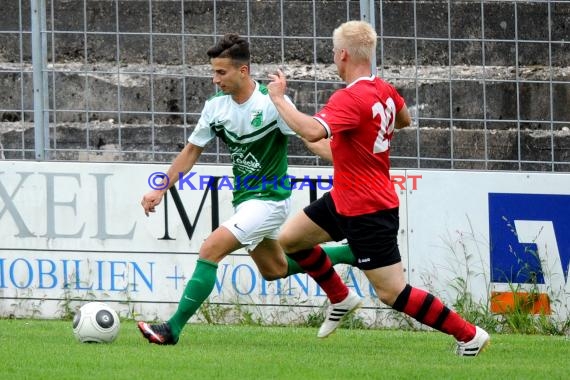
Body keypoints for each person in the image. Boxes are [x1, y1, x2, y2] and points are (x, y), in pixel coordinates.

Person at [267, 20, 490, 356]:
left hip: (369, 209)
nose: (333, 58)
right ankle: (341, 297)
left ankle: (469, 334)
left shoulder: (350, 97)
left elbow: (314, 131)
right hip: (345, 198)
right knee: (290, 240)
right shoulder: (383, 89)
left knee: (392, 293)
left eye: (333, 53)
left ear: (342, 54)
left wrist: (279, 99)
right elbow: (403, 119)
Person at [137, 33, 355, 345]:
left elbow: (311, 139)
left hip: (270, 199)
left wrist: (351, 164)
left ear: (243, 71)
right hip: (246, 201)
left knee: (210, 249)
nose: (215, 79)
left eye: (221, 72)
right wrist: (159, 188)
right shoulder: (216, 108)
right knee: (274, 268)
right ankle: (348, 251)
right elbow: (190, 152)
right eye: (213, 72)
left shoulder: (271, 102)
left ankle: (171, 329)